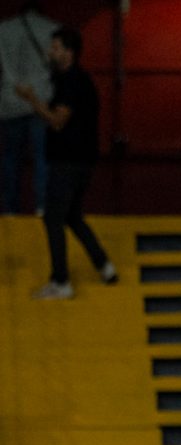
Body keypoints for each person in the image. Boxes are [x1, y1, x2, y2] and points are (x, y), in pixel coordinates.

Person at [17, 27, 115, 299]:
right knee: (72, 215)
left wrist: (31, 100)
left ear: (69, 53)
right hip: (82, 161)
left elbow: (57, 121)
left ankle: (60, 281)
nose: (51, 52)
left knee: (53, 218)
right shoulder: (76, 80)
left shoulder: (71, 82)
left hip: (68, 161)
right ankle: (104, 266)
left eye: (56, 47)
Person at [0, 1, 55, 214]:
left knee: (10, 159)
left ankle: (10, 209)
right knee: (42, 157)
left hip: (10, 100)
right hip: (40, 101)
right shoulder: (51, 28)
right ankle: (41, 206)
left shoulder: (4, 29)